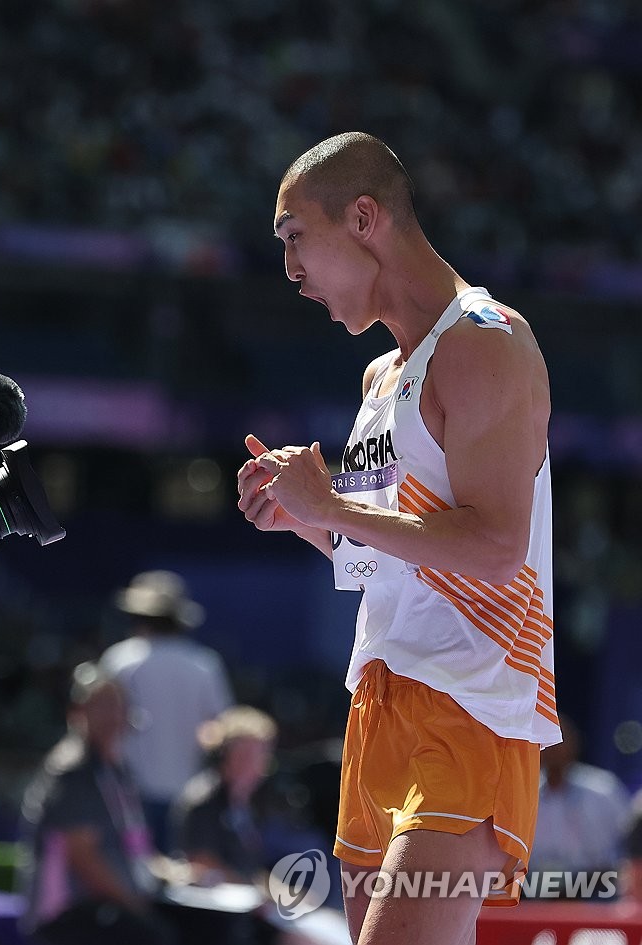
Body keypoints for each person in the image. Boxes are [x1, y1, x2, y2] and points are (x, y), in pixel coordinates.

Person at [237, 132, 559, 945]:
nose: (291, 271)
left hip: (471, 702)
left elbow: (493, 548)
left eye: (294, 237)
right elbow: (393, 560)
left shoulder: (486, 341)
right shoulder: (381, 376)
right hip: (378, 701)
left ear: (364, 216)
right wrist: (306, 518)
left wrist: (334, 508)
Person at [18, 661, 176, 945]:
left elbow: (133, 846)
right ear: (77, 713)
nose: (111, 716)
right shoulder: (73, 771)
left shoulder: (117, 772)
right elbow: (83, 857)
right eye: (100, 706)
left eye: (117, 706)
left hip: (112, 907)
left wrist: (170, 872)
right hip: (73, 916)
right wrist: (134, 905)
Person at [99, 570, 233, 853]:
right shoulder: (204, 665)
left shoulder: (119, 661)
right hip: (186, 795)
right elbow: (220, 730)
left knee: (134, 878)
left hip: (129, 793)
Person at [168, 705, 278, 887]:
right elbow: (202, 864)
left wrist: (281, 892)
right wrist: (261, 893)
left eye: (260, 756)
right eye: (244, 756)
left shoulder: (246, 804)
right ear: (224, 755)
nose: (255, 765)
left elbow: (251, 871)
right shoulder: (202, 802)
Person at [529, 715, 630, 883]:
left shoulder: (603, 789)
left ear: (575, 743)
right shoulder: (526, 793)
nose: (554, 748)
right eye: (547, 742)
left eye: (560, 740)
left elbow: (627, 847)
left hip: (597, 885)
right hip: (536, 887)